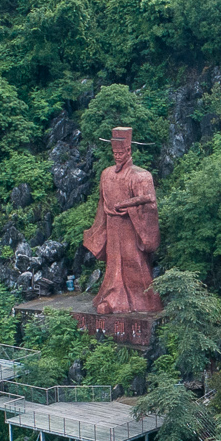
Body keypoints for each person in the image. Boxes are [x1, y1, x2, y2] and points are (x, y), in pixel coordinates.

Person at [83, 127, 161, 314]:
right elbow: (102, 203)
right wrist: (100, 228)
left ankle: (144, 300)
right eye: (115, 153)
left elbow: (150, 202)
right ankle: (112, 296)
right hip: (112, 226)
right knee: (114, 263)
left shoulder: (140, 176)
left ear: (129, 151)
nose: (117, 156)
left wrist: (129, 207)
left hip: (131, 227)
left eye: (121, 152)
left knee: (134, 260)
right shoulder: (106, 174)